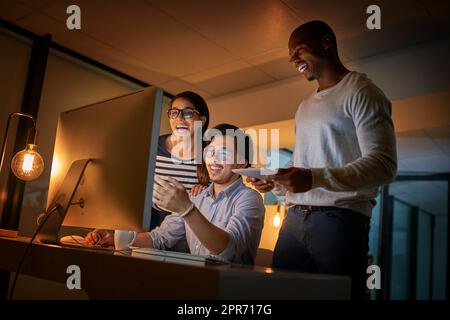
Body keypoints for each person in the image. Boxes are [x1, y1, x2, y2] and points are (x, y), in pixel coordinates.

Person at [248, 21, 397, 299]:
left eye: (299, 50)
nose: (293, 59)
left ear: (326, 42)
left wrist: (314, 177)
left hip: (339, 222)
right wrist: (276, 183)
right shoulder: (304, 107)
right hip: (293, 219)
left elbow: (383, 165)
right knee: (281, 295)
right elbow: (306, 173)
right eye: (290, 54)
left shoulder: (362, 92)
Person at [86, 124, 265, 265]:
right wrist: (120, 239)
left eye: (224, 153)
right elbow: (159, 238)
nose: (214, 159)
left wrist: (187, 209)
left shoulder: (249, 198)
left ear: (242, 164)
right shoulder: (197, 197)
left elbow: (227, 251)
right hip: (197, 285)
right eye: (210, 151)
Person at [151, 91, 210, 230]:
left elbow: (221, 195)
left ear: (202, 120)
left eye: (188, 112)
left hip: (191, 234)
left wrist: (207, 192)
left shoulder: (211, 153)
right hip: (150, 228)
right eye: (174, 112)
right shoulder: (151, 146)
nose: (180, 118)